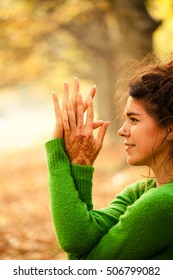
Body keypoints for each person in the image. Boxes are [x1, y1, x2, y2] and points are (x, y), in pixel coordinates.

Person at [45, 58, 173, 260]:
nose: (122, 131)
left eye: (134, 120)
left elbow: (86, 267)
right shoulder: (142, 191)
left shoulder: (163, 203)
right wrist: (80, 163)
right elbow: (78, 240)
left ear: (170, 129)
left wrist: (57, 156)